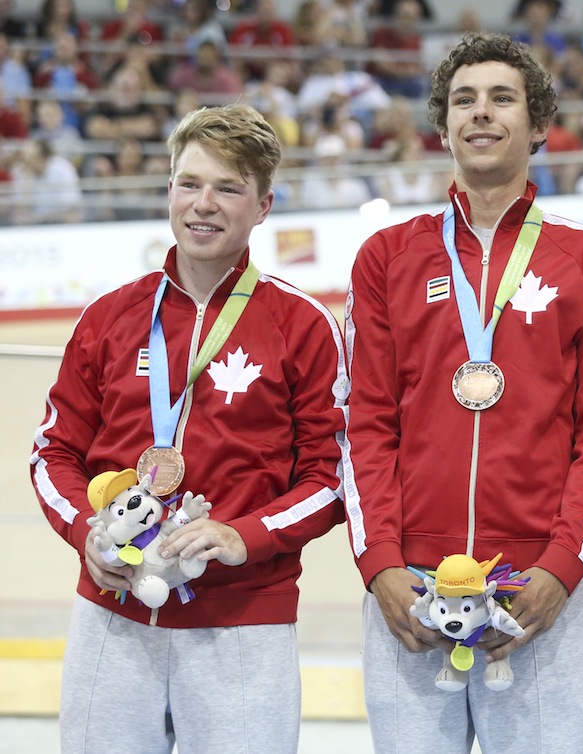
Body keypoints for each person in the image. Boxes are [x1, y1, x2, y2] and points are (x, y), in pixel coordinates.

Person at [344, 32, 583, 753]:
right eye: (463, 101)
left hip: (542, 597)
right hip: (412, 595)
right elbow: (362, 421)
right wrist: (380, 563)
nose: (481, 114)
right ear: (442, 127)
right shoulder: (388, 256)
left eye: (502, 98)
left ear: (538, 125)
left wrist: (562, 566)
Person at [30, 103, 349, 752]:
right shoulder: (110, 317)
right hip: (111, 614)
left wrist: (244, 535)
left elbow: (335, 475)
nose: (204, 204)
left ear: (262, 206)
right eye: (189, 183)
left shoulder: (304, 324)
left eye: (229, 188)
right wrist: (84, 531)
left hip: (242, 622)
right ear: (168, 189)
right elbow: (54, 452)